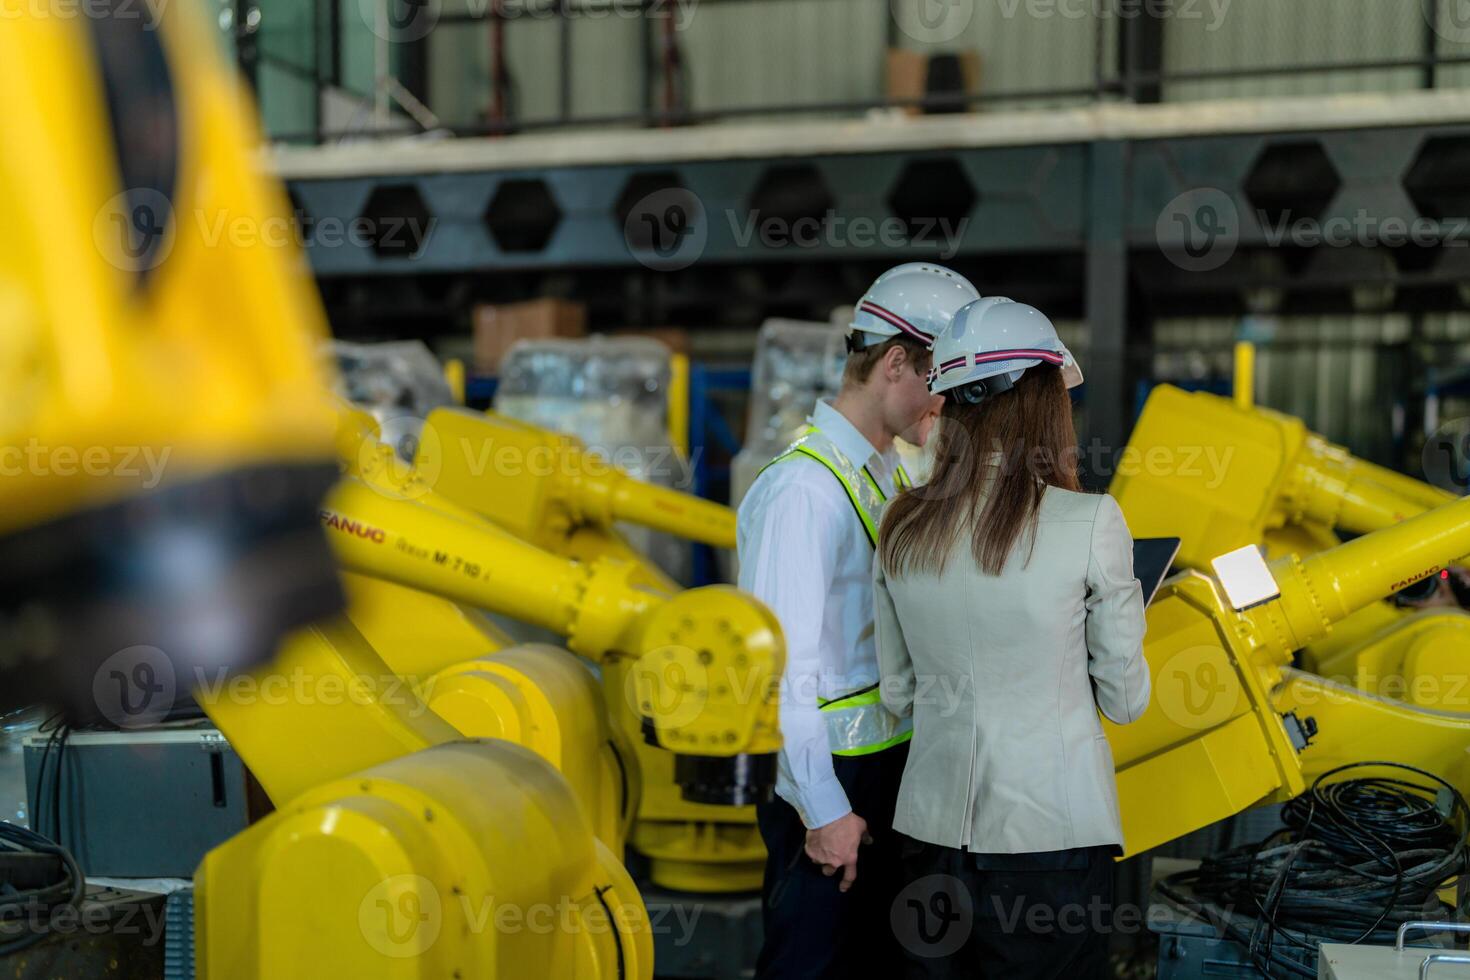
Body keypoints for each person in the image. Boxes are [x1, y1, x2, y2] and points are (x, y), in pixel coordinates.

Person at [872, 297, 1151, 979]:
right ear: (1043, 403)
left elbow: (900, 693)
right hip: (1047, 846)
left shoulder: (902, 522)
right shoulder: (1090, 521)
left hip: (928, 837)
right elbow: (1124, 699)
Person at [737, 263, 979, 978]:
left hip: (885, 773)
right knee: (812, 965)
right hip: (832, 785)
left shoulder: (890, 474)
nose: (946, 403)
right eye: (943, 381)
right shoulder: (801, 491)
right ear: (898, 362)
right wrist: (823, 810)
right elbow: (780, 671)